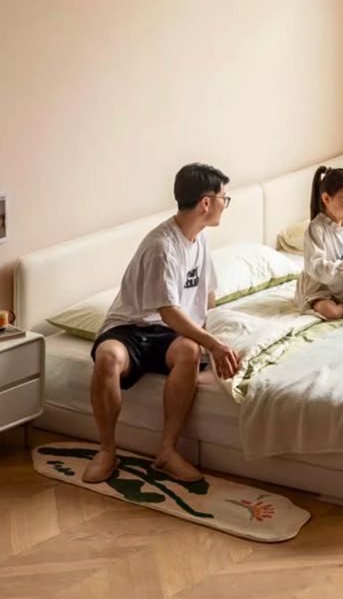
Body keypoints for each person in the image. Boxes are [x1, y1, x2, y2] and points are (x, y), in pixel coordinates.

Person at [82, 163, 240, 483]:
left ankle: (167, 452)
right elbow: (168, 311)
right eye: (225, 197)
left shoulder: (200, 239)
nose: (226, 203)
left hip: (166, 334)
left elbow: (207, 298)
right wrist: (215, 344)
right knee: (108, 357)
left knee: (189, 352)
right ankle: (107, 450)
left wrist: (220, 332)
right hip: (130, 327)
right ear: (206, 202)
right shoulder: (161, 247)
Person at [295, 166, 343, 320]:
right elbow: (315, 267)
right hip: (320, 289)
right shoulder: (316, 229)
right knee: (331, 312)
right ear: (326, 199)